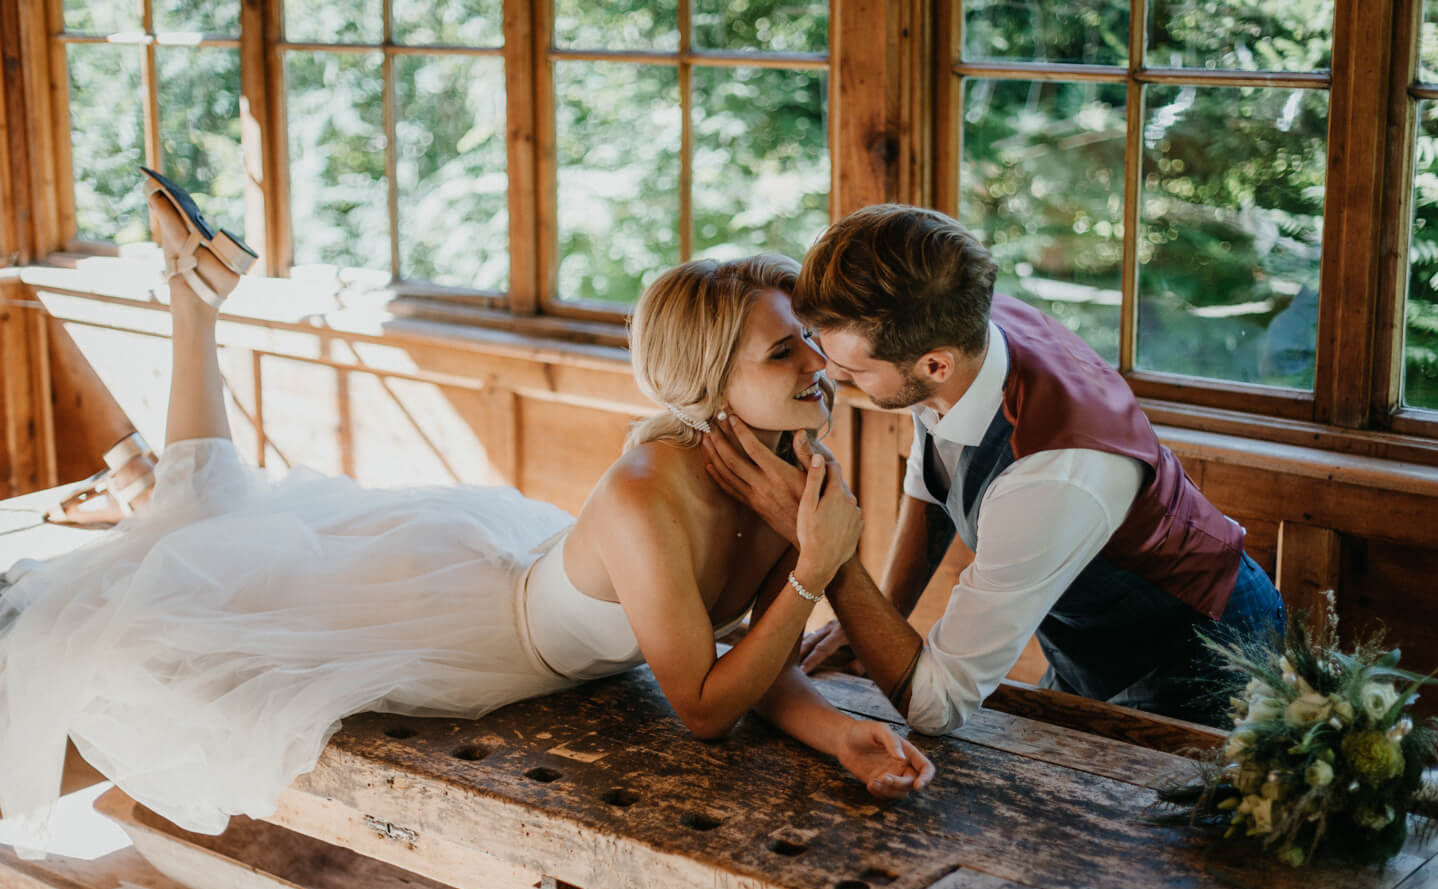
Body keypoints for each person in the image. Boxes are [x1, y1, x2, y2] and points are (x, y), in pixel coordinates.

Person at [0, 173, 933, 851]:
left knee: (200, 536)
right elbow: (699, 707)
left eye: (812, 341)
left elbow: (753, 659)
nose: (818, 364)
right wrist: (817, 570)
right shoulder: (651, 488)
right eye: (783, 353)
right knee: (156, 638)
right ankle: (187, 302)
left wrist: (845, 738)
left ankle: (191, 297)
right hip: (465, 623)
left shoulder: (793, 468)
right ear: (708, 381)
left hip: (513, 565)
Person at [703, 204, 1286, 734]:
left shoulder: (1051, 475)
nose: (829, 373)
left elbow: (938, 707)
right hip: (1084, 644)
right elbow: (932, 476)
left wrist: (826, 556)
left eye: (852, 366)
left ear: (934, 364)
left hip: (1202, 661)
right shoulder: (954, 321)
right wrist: (888, 612)